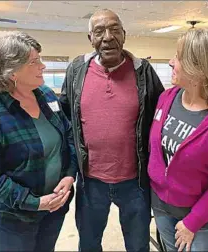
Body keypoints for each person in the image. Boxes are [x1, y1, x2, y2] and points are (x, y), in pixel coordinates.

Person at [59, 9, 164, 252]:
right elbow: (65, 118)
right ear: (90, 39)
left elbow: (161, 114)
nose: (108, 37)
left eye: (115, 29)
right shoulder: (76, 70)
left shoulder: (143, 71)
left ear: (124, 35)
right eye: (99, 31)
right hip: (91, 181)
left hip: (135, 182)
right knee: (88, 243)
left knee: (138, 246)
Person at [0, 31, 78, 252]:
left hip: (55, 209)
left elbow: (68, 135)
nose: (43, 66)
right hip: (16, 218)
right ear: (12, 72)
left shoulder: (47, 95)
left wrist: (69, 174)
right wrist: (35, 202)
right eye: (34, 61)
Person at [148, 28, 208, 251]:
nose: (172, 62)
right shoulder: (167, 98)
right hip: (162, 206)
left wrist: (192, 223)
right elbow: (156, 152)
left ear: (199, 67)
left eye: (178, 57)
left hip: (199, 219)